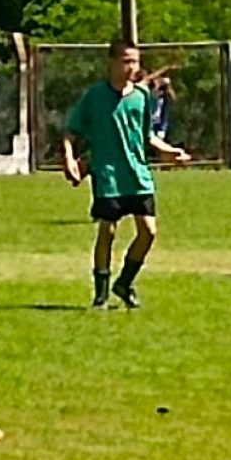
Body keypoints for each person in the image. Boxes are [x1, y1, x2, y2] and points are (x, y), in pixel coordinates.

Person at [62, 40, 190, 309]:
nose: (133, 67)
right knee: (107, 232)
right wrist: (69, 158)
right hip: (108, 175)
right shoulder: (95, 97)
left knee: (149, 232)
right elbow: (71, 131)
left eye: (136, 61)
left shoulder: (142, 97)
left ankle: (125, 282)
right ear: (112, 62)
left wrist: (170, 153)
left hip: (138, 174)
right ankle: (101, 294)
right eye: (127, 61)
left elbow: (147, 137)